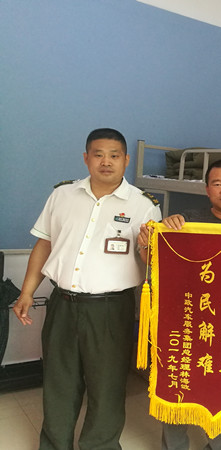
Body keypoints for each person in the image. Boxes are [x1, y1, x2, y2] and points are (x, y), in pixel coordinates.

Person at [12, 128, 162, 449]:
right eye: (98, 154)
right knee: (59, 381)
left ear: (126, 160)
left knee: (107, 386)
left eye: (114, 155)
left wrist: (148, 246)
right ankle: (54, 444)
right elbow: (44, 244)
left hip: (111, 308)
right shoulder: (62, 195)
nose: (106, 162)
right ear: (86, 158)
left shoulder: (143, 205)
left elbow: (152, 262)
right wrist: (27, 292)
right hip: (62, 303)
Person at [138, 158, 221, 450]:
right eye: (217, 184)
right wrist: (149, 241)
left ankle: (218, 446)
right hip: (187, 320)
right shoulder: (186, 221)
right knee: (178, 382)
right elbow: (154, 263)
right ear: (207, 189)